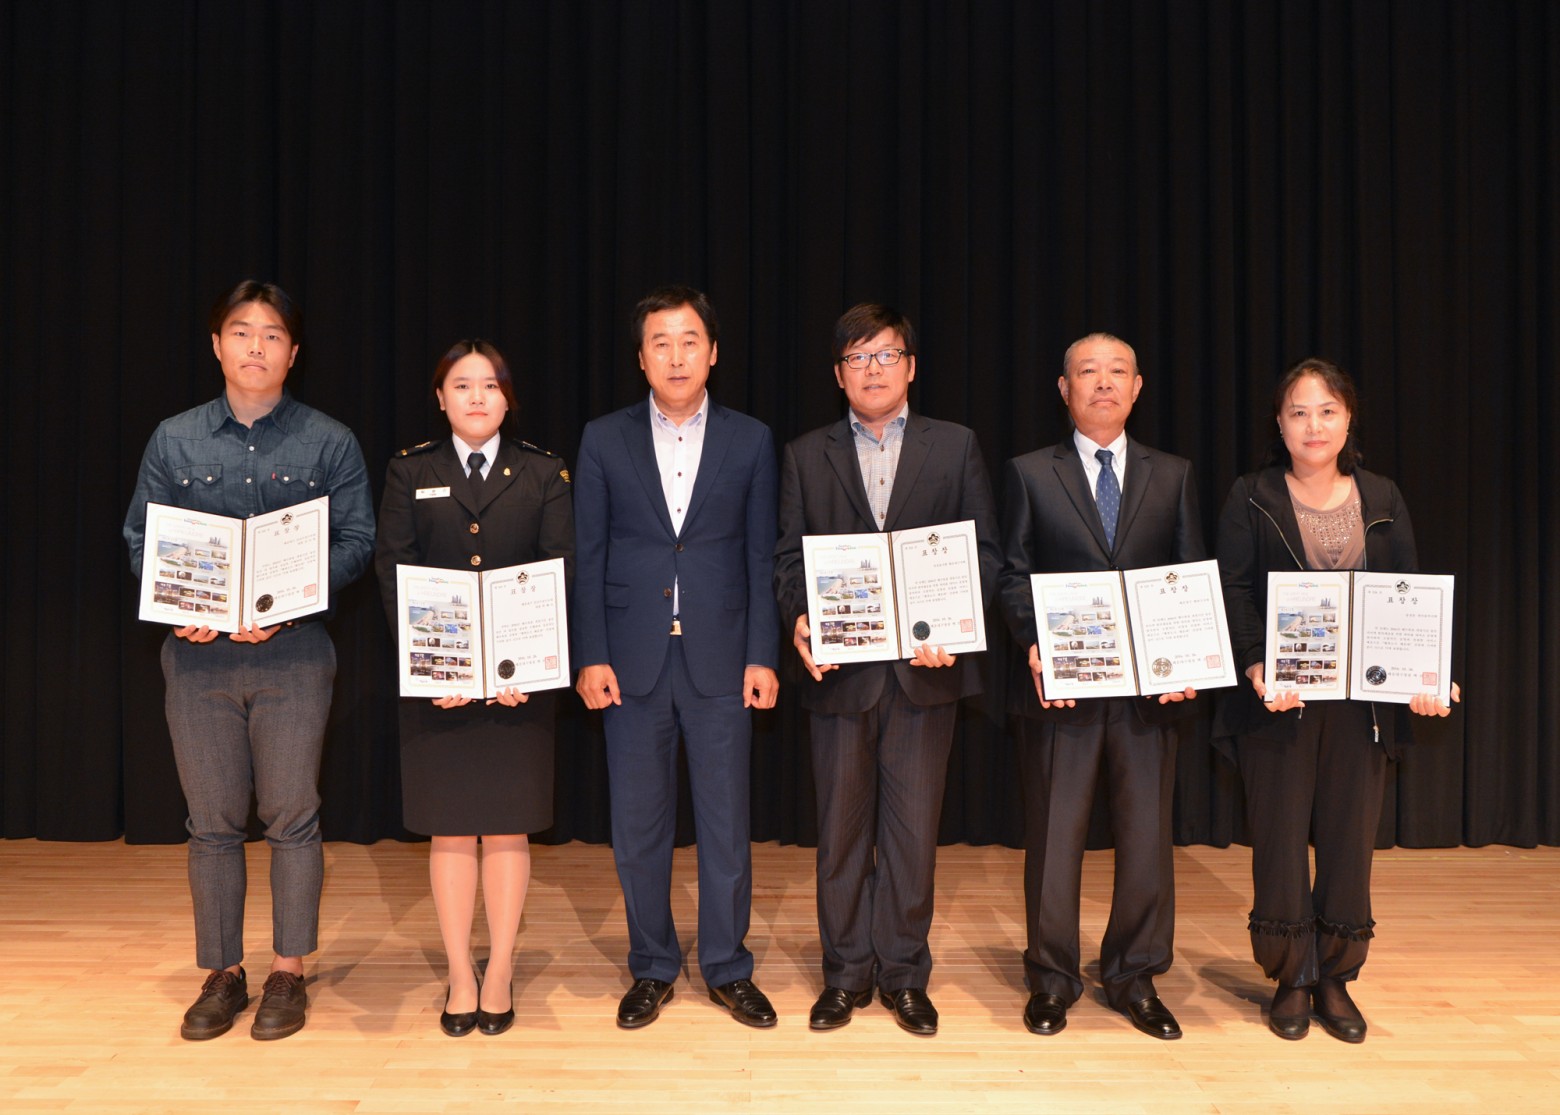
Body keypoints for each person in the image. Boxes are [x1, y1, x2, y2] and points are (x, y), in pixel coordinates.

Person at [123, 280, 375, 1040]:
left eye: (271, 335)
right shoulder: (174, 438)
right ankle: (223, 972)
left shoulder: (330, 440)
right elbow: (141, 538)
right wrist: (181, 607)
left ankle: (288, 971)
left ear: (293, 352)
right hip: (196, 660)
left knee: (293, 816)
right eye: (241, 332)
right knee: (211, 822)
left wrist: (291, 602)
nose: (255, 346)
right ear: (216, 345)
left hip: (293, 655)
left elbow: (357, 541)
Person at [1215, 357, 1459, 1042]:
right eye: (1299, 411)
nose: (1313, 425)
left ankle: (1335, 977)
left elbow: (1409, 592)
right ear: (1279, 423)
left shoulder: (1382, 495)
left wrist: (1429, 674)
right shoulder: (1252, 495)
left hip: (1363, 706)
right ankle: (1291, 976)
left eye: (1327, 411)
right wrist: (1255, 662)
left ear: (1349, 418)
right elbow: (1233, 588)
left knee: (1351, 843)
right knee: (1280, 839)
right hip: (1281, 699)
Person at [774, 303, 1000, 1036]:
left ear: (911, 366)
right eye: (857, 357)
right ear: (838, 374)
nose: (872, 369)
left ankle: (904, 973)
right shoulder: (805, 454)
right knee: (840, 833)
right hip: (842, 674)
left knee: (911, 833)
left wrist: (958, 627)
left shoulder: (955, 446)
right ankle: (845, 974)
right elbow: (788, 560)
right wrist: (799, 618)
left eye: (886, 355)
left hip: (925, 674)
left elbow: (984, 553)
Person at [572, 285, 781, 1029]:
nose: (676, 355)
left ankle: (727, 966)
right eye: (660, 342)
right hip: (630, 661)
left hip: (722, 660)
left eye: (690, 340)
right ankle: (653, 964)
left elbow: (760, 555)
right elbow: (589, 554)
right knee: (640, 828)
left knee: (725, 825)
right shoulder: (604, 438)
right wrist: (591, 654)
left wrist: (763, 655)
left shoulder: (751, 439)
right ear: (641, 358)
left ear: (713, 352)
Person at [997, 332, 1203, 1040]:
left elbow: (1187, 575)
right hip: (1062, 692)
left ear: (1138, 388)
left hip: (1149, 696)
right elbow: (1012, 572)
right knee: (1055, 840)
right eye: (1088, 372)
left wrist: (1189, 659)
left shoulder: (1173, 475)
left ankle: (1135, 975)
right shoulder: (1029, 472)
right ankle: (1052, 978)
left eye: (1118, 372)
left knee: (1147, 840)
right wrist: (1034, 644)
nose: (1104, 382)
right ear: (1065, 389)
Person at [373, 339, 574, 1037]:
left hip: (521, 688)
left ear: (508, 398)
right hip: (440, 685)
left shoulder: (544, 471)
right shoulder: (410, 470)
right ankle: (461, 970)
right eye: (463, 384)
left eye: (491, 384)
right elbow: (393, 571)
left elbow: (559, 570)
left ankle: (501, 968)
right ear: (441, 397)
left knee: (509, 824)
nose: (478, 396)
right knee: (452, 827)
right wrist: (437, 667)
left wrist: (530, 668)